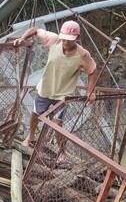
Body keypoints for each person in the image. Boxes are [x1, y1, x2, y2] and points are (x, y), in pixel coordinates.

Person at [13, 21, 98, 149]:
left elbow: (92, 72)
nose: (65, 42)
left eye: (69, 40)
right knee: (35, 114)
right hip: (46, 88)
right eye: (64, 39)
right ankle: (30, 136)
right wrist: (22, 38)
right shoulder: (53, 40)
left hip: (63, 95)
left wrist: (90, 92)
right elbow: (35, 30)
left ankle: (60, 152)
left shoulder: (83, 55)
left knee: (57, 124)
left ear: (77, 39)